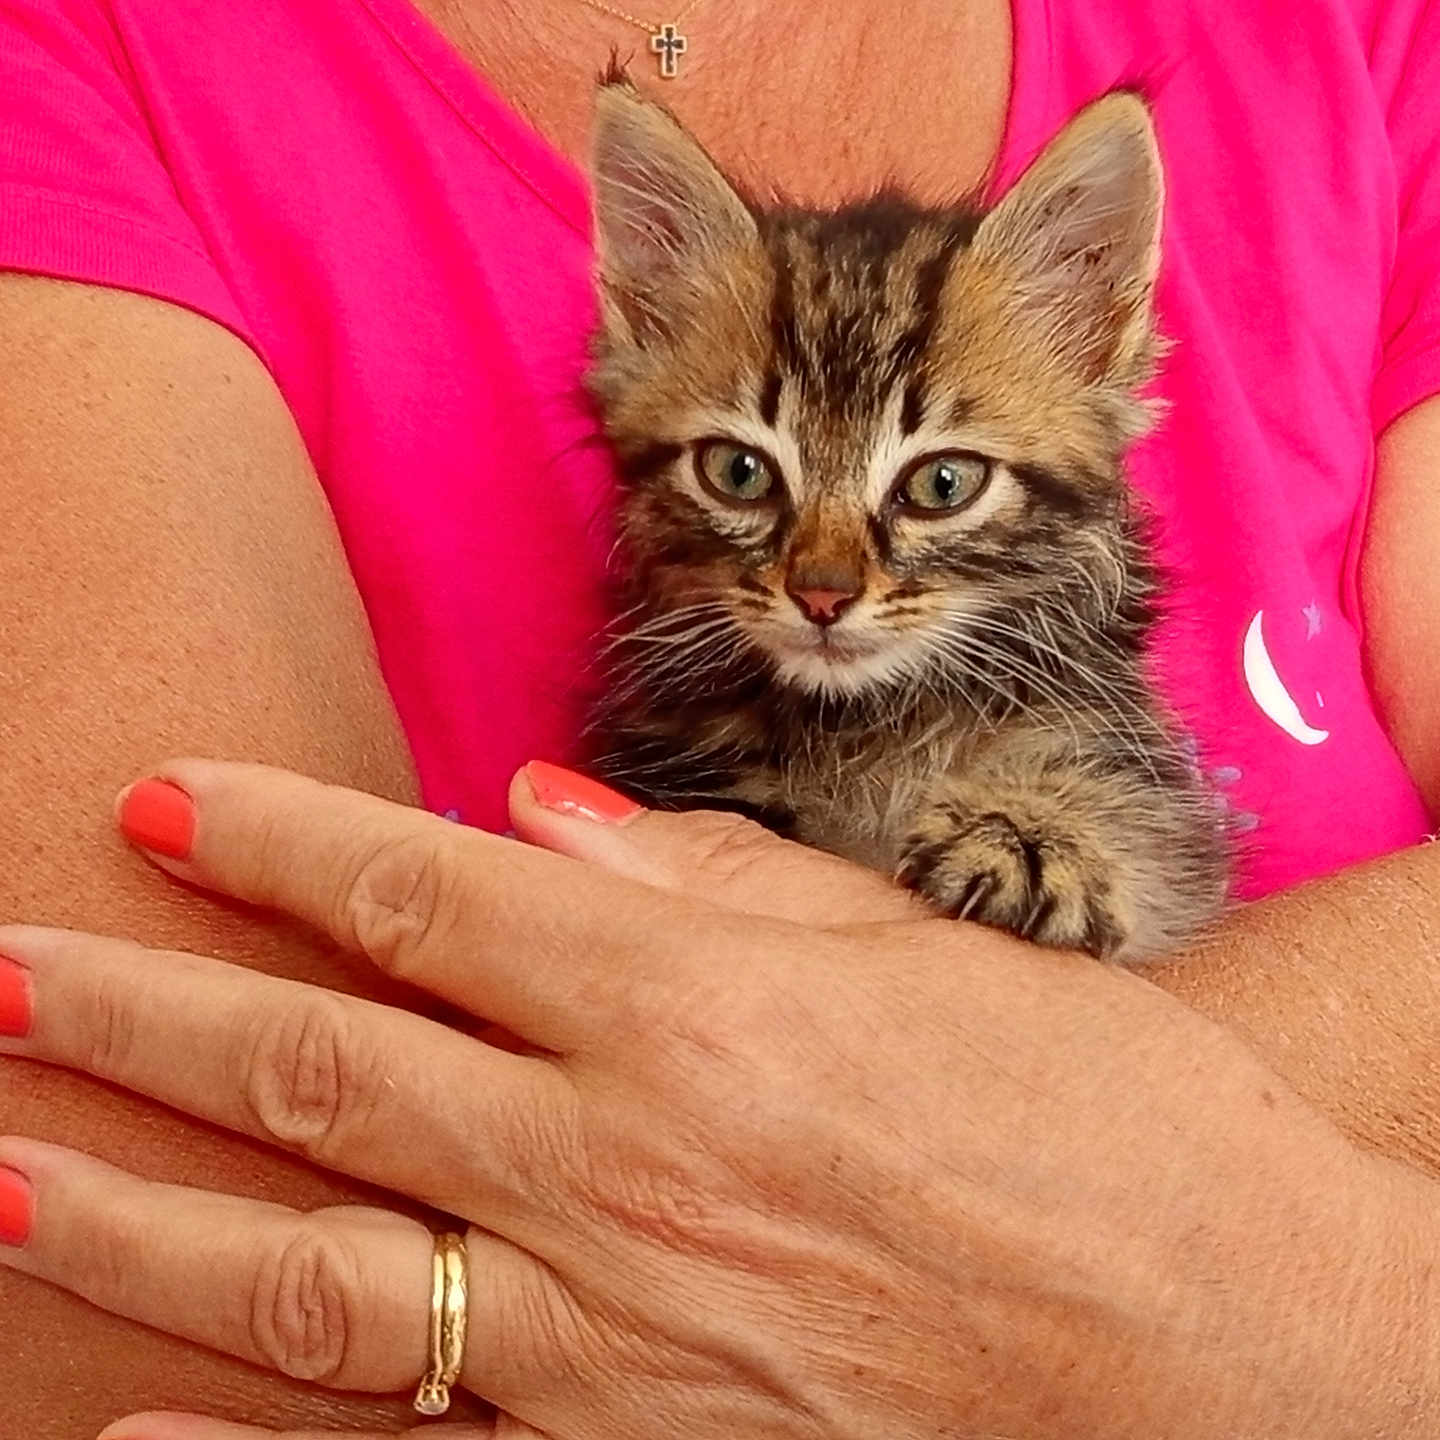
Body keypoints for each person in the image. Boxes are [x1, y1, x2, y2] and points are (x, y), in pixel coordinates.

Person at [0, 0, 1437, 1435]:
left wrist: (1322, 1302)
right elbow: (187, 1357)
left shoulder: (1355, 40)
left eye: (935, 487)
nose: (823, 578)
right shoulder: (85, 60)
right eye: (743, 477)